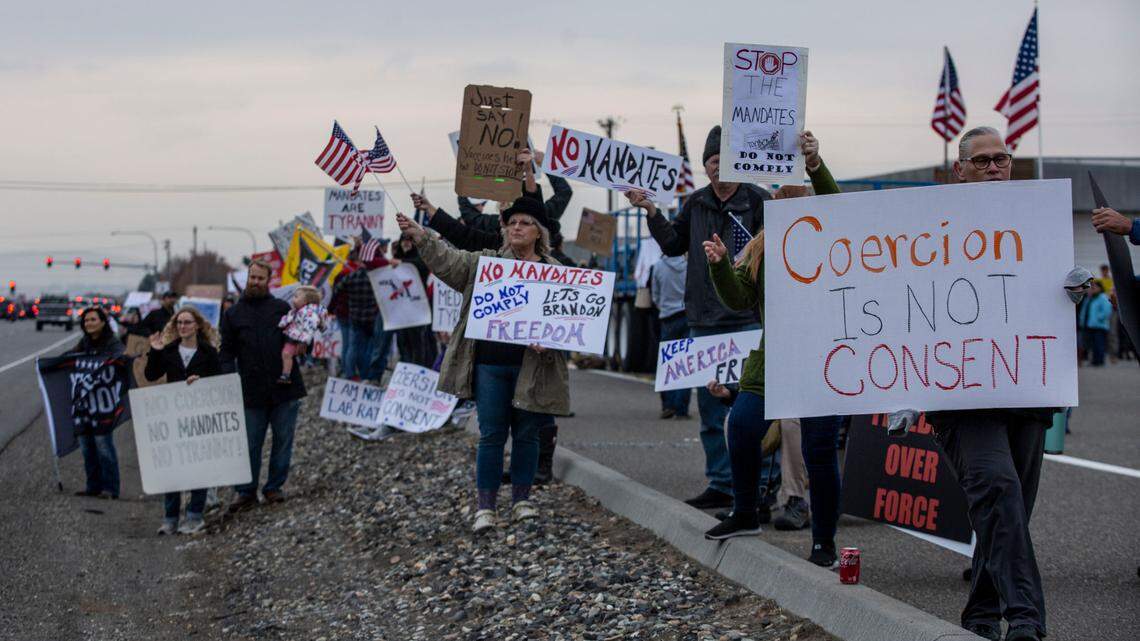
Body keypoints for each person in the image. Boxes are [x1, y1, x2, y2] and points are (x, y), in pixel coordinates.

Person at [893, 126, 1060, 641]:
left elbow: (1046, 292)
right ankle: (1026, 621)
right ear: (958, 170)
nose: (994, 168)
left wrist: (1068, 288)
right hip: (960, 397)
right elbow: (902, 302)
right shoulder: (929, 229)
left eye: (1002, 159)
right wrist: (903, 389)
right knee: (997, 487)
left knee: (1008, 510)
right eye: (982, 160)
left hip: (1025, 391)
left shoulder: (1039, 222)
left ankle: (980, 617)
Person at [698, 133, 847, 569]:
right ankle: (745, 512)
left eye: (793, 188)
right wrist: (720, 264)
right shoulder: (763, 244)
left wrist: (816, 164)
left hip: (826, 359)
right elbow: (739, 298)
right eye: (779, 190)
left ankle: (824, 541)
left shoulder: (834, 237)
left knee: (819, 449)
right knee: (741, 426)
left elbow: (835, 205)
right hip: (775, 356)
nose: (783, 194)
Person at [396, 196, 569, 533]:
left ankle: (522, 501)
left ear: (539, 233)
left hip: (533, 367)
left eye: (525, 222)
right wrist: (421, 235)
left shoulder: (555, 272)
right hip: (489, 364)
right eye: (512, 222)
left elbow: (571, 320)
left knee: (527, 435)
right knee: (491, 435)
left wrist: (552, 338)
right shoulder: (486, 264)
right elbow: (449, 261)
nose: (517, 227)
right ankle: (486, 508)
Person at [627, 125, 767, 510]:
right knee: (709, 411)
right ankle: (721, 483)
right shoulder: (696, 203)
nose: (719, 168)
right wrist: (651, 211)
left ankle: (762, 487)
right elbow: (672, 245)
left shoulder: (758, 201)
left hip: (746, 317)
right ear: (705, 166)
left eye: (726, 160)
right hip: (704, 319)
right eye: (713, 161)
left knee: (752, 408)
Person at [219, 259, 307, 512]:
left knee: (283, 439)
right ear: (247, 278)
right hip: (250, 390)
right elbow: (226, 352)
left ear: (269, 281)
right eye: (252, 277)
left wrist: (304, 345)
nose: (255, 282)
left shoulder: (281, 308)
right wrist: (228, 379)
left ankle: (273, 487)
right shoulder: (233, 314)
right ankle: (245, 491)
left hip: (285, 388)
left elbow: (299, 337)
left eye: (260, 278)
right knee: (250, 443)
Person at [144, 306, 221, 535]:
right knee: (173, 469)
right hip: (173, 415)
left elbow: (219, 381)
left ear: (197, 325)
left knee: (198, 466)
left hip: (199, 415)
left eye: (187, 322)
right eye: (179, 323)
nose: (183, 326)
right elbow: (151, 375)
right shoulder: (167, 351)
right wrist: (155, 351)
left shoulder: (208, 352)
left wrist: (202, 380)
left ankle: (194, 515)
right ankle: (170, 519)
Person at [71, 306, 124, 499]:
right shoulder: (83, 344)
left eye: (93, 320)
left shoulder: (112, 343)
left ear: (103, 322)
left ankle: (110, 489)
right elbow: (68, 360)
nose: (89, 323)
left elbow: (121, 358)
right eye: (86, 321)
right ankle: (92, 486)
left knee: (103, 446)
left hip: (103, 406)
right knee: (86, 446)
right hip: (84, 407)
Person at [332, 239, 389, 381]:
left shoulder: (351, 276)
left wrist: (332, 309)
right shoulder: (376, 277)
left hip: (355, 318)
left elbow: (337, 291)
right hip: (371, 319)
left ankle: (351, 374)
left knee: (354, 348)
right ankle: (366, 375)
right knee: (369, 349)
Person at [650, 253, 690, 419]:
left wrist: (664, 307)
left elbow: (655, 295)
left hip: (667, 318)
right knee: (685, 363)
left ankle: (668, 405)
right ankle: (681, 408)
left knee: (668, 363)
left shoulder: (658, 266)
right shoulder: (688, 265)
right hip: (686, 315)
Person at [392, 234, 439, 368]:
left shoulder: (419, 258)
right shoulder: (396, 259)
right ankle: (406, 370)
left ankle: (419, 368)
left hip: (417, 307)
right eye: (404, 240)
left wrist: (402, 264)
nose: (406, 243)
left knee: (418, 341)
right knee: (402, 341)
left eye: (409, 240)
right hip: (401, 308)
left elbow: (421, 266)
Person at [277, 285, 327, 383]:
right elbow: (288, 318)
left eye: (296, 297)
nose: (293, 299)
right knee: (286, 355)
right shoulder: (297, 311)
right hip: (292, 337)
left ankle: (286, 375)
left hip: (298, 340)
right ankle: (288, 373)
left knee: (286, 354)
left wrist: (303, 341)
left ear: (306, 301)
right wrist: (282, 323)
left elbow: (309, 328)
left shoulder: (309, 313)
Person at [1078, 280, 1112, 366]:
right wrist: (1082, 320)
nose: (1092, 289)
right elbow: (1084, 310)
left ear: (1100, 288)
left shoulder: (1103, 297)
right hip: (1090, 325)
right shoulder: (1090, 298)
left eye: (1094, 287)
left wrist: (1098, 318)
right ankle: (1094, 360)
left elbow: (1107, 310)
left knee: (1099, 344)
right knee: (1092, 344)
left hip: (1099, 325)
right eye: (1091, 287)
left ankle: (1099, 361)